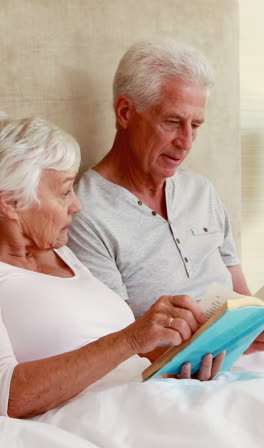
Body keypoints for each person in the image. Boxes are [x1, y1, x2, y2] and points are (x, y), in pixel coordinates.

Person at [0, 116, 229, 420]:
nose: (77, 206)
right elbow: (9, 397)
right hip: (99, 421)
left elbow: (119, 358)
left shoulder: (63, 253)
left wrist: (178, 361)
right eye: (66, 191)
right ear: (11, 203)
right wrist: (131, 338)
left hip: (143, 399)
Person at [68, 39, 251, 323]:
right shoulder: (85, 214)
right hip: (163, 367)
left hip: (240, 357)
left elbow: (242, 299)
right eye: (173, 122)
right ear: (125, 112)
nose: (186, 142)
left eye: (196, 125)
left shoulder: (201, 190)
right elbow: (117, 341)